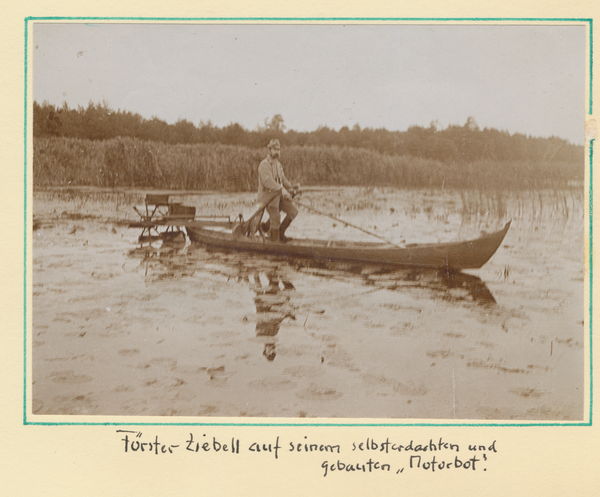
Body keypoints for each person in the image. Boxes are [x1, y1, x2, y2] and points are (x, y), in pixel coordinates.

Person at [257, 139, 300, 242]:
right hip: (267, 198)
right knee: (276, 217)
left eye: (278, 149)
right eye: (274, 149)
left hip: (278, 196)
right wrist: (282, 190)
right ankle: (274, 241)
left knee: (293, 212)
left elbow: (282, 180)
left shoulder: (278, 165)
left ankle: (279, 231)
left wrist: (292, 187)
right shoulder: (264, 165)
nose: (277, 151)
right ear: (269, 150)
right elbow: (268, 182)